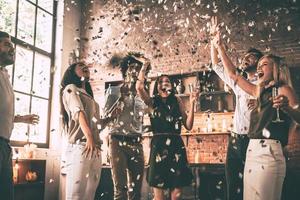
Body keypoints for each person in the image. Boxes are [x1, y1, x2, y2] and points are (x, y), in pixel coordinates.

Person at [212, 30, 300, 200]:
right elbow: (233, 75)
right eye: (258, 65)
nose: (259, 67)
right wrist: (220, 46)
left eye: (264, 64)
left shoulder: (283, 89)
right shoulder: (258, 92)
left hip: (269, 153)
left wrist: (288, 108)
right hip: (252, 150)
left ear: (276, 68)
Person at [209, 16, 263, 200]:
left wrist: (220, 45)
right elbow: (216, 66)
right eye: (245, 57)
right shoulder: (240, 82)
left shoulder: (264, 84)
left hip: (253, 141)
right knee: (233, 185)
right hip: (234, 140)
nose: (246, 59)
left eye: (251, 57)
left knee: (252, 187)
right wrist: (213, 42)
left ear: (260, 63)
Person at [136, 60, 198, 200]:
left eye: (167, 81)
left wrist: (192, 103)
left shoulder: (177, 101)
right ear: (157, 86)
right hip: (159, 146)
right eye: (161, 81)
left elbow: (188, 125)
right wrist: (144, 67)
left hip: (176, 146)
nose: (164, 82)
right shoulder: (152, 102)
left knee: (177, 194)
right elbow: (139, 87)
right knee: (159, 196)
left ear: (171, 85)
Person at [102, 53, 149, 200]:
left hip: (136, 143)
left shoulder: (143, 95)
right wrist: (120, 99)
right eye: (132, 67)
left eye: (138, 68)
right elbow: (105, 120)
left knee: (136, 192)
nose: (135, 71)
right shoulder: (113, 91)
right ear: (125, 70)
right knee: (120, 190)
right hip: (117, 143)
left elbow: (143, 120)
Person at [0, 31, 39, 200]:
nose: (12, 49)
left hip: (5, 145)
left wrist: (21, 118)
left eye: (12, 46)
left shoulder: (5, 75)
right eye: (7, 44)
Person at [60, 62, 102, 200]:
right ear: (72, 72)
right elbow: (79, 113)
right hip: (80, 147)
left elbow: (98, 124)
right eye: (80, 65)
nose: (85, 67)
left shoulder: (90, 97)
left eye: (86, 66)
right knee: (75, 196)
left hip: (95, 149)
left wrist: (113, 116)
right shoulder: (70, 89)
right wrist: (89, 137)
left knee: (90, 196)